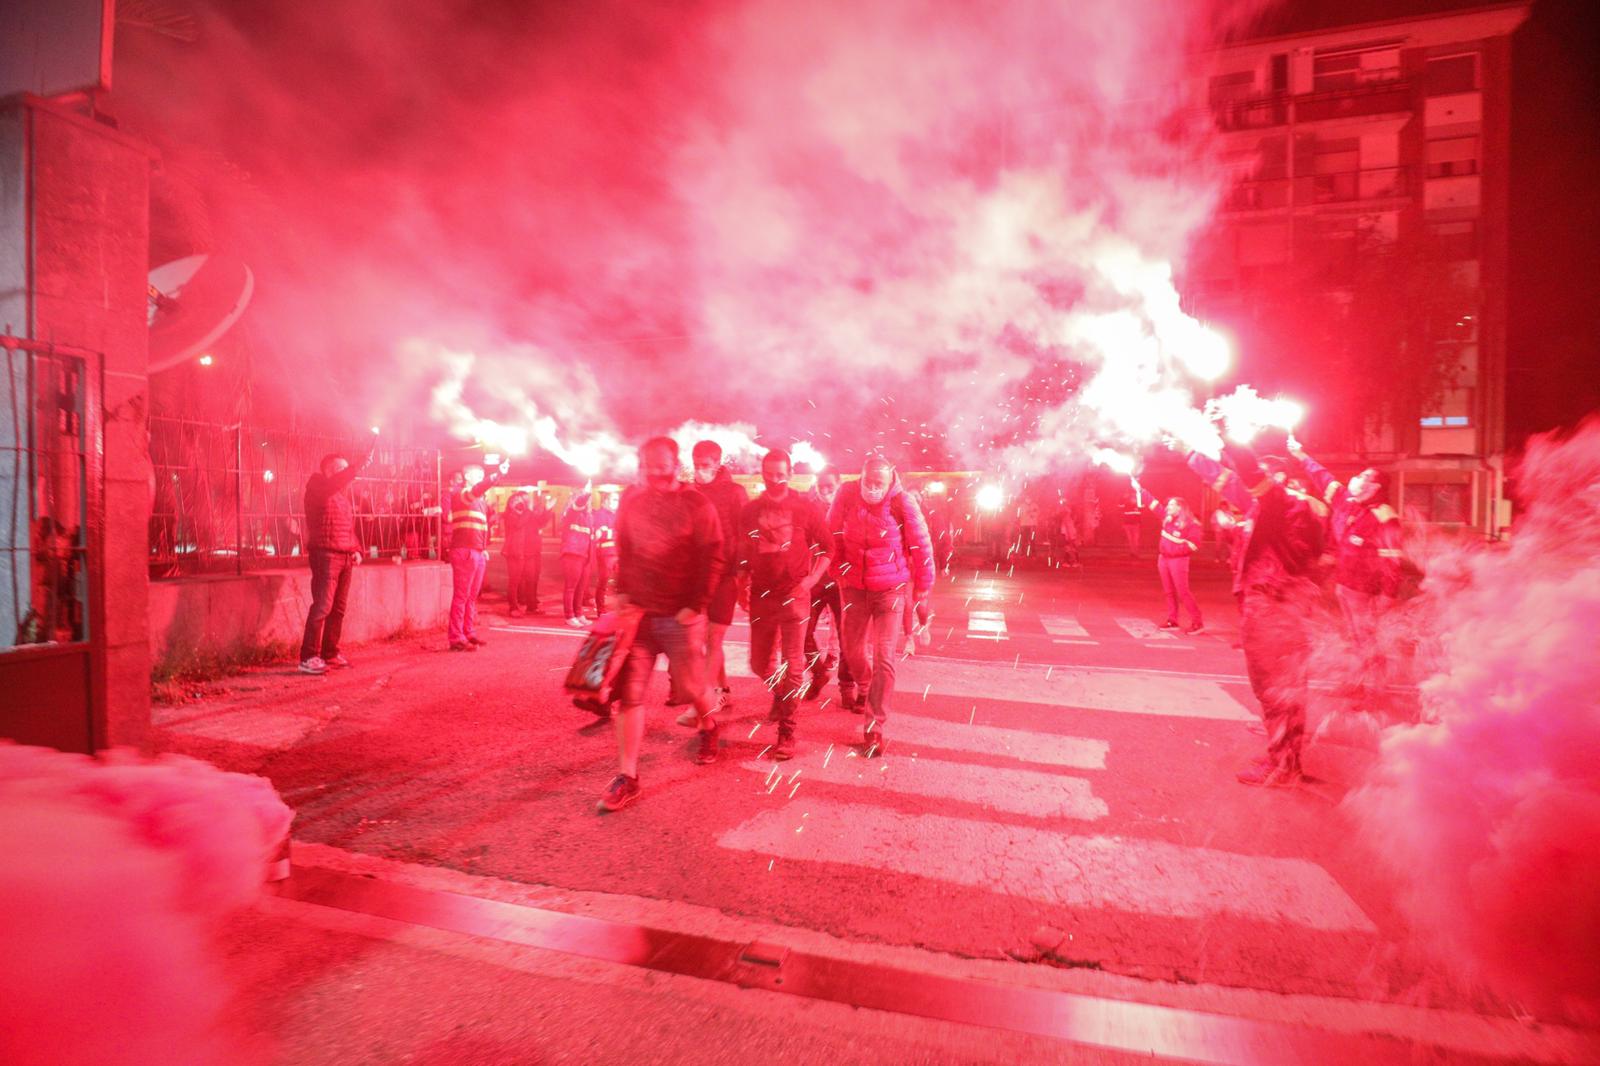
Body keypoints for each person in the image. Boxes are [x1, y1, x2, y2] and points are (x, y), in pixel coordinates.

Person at [1184, 441, 1326, 786]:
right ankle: (1285, 759)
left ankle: (1282, 767)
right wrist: (1192, 453)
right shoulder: (1275, 510)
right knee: (1283, 689)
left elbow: (1245, 476)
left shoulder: (1283, 503)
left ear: (1276, 477)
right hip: (1278, 605)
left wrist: (1226, 434)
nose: (1248, 483)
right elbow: (1235, 490)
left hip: (1274, 609)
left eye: (1260, 475)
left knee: (1275, 688)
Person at [598, 437, 726, 813]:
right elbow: (623, 547)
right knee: (630, 693)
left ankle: (710, 726)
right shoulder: (630, 500)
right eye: (648, 463)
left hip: (680, 615)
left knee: (690, 688)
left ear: (675, 463)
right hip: (638, 615)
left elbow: (713, 555)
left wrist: (696, 604)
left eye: (662, 463)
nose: (655, 471)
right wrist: (620, 590)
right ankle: (628, 776)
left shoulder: (696, 504)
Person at [829, 454, 936, 756]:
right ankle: (866, 687)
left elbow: (922, 545)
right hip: (853, 589)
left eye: (879, 483)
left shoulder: (902, 502)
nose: (873, 488)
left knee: (884, 656)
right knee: (851, 651)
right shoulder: (846, 495)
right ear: (860, 477)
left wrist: (924, 589)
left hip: (890, 590)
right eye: (868, 482)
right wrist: (837, 569)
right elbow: (830, 533)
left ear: (889, 481)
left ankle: (874, 726)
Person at [1288, 438, 1404, 692]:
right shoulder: (1347, 502)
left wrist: (1388, 594)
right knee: (1355, 636)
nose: (1356, 478)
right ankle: (1358, 680)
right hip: (1345, 583)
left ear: (1374, 486)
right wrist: (1300, 454)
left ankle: (1371, 685)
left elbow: (1393, 559)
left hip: (1365, 588)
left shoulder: (1384, 517)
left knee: (1366, 637)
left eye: (1363, 476)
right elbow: (1323, 478)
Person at [737, 450, 832, 760]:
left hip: (795, 595)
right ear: (762, 474)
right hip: (762, 595)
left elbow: (829, 547)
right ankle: (782, 695)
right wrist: (741, 584)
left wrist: (810, 580)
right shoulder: (751, 510)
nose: (775, 480)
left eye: (781, 473)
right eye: (770, 474)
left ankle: (787, 731)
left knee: (794, 665)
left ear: (790, 473)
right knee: (759, 663)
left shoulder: (804, 507)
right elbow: (742, 551)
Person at [298, 439, 375, 674]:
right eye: (340, 468)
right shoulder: (317, 487)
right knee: (322, 605)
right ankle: (308, 656)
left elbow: (346, 527)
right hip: (326, 554)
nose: (346, 473)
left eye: (346, 468)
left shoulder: (341, 496)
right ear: (328, 471)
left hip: (344, 556)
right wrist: (359, 464)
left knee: (338, 609)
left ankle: (330, 653)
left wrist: (356, 550)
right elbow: (338, 482)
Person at [689, 440, 749, 715]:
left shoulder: (735, 493)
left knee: (713, 638)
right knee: (703, 641)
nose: (700, 471)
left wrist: (742, 574)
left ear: (717, 463)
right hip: (698, 576)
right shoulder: (690, 493)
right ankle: (722, 689)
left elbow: (745, 534)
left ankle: (708, 697)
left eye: (705, 465)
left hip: (726, 575)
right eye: (696, 465)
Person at [803, 470, 855, 702]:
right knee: (803, 631)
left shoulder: (848, 507)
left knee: (847, 637)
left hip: (841, 581)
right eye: (821, 486)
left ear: (838, 484)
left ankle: (847, 690)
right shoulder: (808, 508)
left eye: (829, 487)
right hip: (815, 579)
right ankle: (818, 674)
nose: (825, 491)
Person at [447, 460, 508, 651]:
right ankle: (456, 637)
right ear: (467, 477)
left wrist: (483, 549)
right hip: (464, 550)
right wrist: (495, 475)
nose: (481, 478)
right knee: (462, 595)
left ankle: (468, 632)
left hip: (476, 551)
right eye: (478, 475)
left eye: (483, 475)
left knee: (471, 596)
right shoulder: (461, 494)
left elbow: (479, 528)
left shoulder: (479, 501)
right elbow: (478, 489)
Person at [1133, 487, 1204, 633]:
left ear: (1180, 508)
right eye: (1169, 505)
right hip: (1163, 559)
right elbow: (1154, 504)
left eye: (1172, 505)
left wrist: (1174, 551)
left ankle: (1198, 622)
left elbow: (1194, 545)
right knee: (1169, 591)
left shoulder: (1191, 524)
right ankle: (1173, 620)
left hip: (1178, 561)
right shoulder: (1167, 517)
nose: (1168, 507)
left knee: (1183, 592)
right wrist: (1140, 490)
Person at [501, 490, 550, 617]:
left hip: (527, 552)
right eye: (518, 501)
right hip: (514, 552)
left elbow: (540, 522)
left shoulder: (526, 514)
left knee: (531, 579)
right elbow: (518, 524)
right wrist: (527, 510)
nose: (522, 503)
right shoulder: (510, 515)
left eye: (523, 501)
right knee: (515, 581)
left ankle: (531, 607)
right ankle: (513, 608)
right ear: (511, 503)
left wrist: (547, 510)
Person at [558, 489, 596, 627]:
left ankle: (579, 614)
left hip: (585, 556)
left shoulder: (589, 517)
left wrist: (590, 558)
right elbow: (577, 506)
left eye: (589, 500)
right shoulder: (571, 513)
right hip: (572, 554)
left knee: (581, 588)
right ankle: (569, 616)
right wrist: (584, 495)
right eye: (587, 500)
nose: (588, 503)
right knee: (571, 588)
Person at [589, 491, 620, 616]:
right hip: (605, 553)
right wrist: (613, 533)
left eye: (617, 500)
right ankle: (601, 610)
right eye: (613, 500)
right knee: (603, 581)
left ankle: (618, 609)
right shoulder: (600, 514)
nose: (616, 503)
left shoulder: (616, 515)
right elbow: (600, 534)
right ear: (605, 501)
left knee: (621, 583)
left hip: (616, 553)